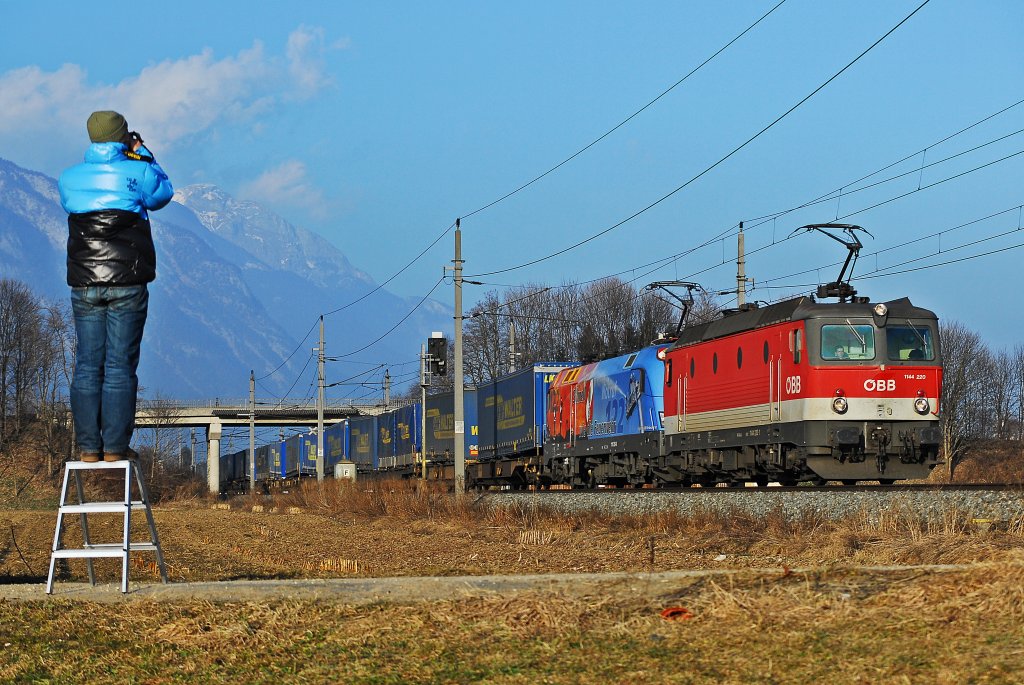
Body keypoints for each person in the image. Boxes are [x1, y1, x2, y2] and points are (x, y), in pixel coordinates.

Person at [58, 111, 174, 463]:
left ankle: (88, 447)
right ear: (124, 137)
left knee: (88, 364)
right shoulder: (137, 170)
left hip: (85, 283)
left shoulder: (69, 178)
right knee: (121, 366)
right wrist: (143, 152)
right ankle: (115, 448)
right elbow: (162, 194)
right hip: (128, 280)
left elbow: (74, 207)